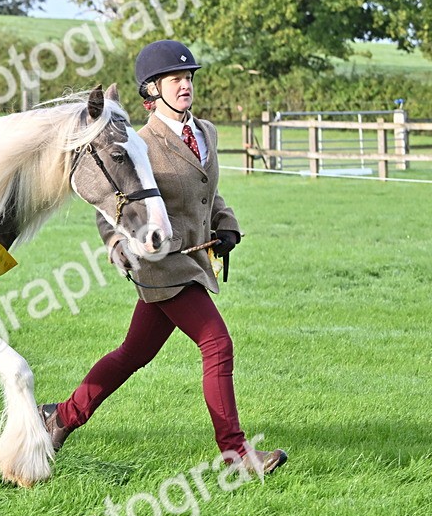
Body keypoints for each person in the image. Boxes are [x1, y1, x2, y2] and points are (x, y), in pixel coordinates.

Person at [40, 40, 287, 476]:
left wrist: (225, 223)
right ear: (150, 91)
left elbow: (207, 191)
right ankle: (236, 455)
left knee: (133, 353)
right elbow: (110, 205)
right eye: (176, 80)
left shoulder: (206, 132)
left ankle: (62, 417)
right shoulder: (139, 143)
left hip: (194, 259)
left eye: (188, 78)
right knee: (217, 344)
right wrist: (115, 245)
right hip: (161, 263)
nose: (185, 85)